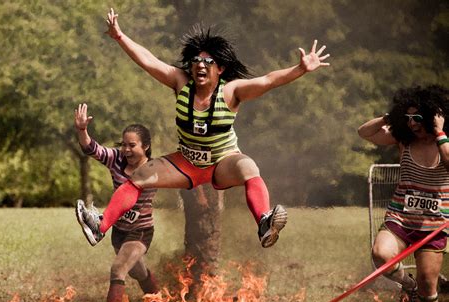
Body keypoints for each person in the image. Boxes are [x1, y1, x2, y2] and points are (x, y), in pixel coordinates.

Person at [76, 7, 330, 249]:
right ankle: (100, 225)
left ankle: (264, 223)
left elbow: (268, 80)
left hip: (222, 162)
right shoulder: (180, 82)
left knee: (249, 167)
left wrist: (300, 69)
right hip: (186, 162)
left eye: (208, 62)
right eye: (196, 60)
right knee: (140, 176)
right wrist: (120, 37)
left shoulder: (232, 91)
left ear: (220, 69)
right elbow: (148, 61)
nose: (200, 65)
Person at [358, 85, 449, 302]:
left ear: (432, 117)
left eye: (417, 117)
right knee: (380, 254)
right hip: (401, 217)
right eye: (407, 118)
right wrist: (390, 116)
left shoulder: (444, 141)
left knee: (430, 284)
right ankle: (410, 286)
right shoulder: (404, 140)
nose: (412, 123)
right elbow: (364, 133)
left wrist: (439, 133)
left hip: (433, 225)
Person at [74, 103, 160, 302]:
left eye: (132, 145)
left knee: (118, 268)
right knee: (139, 272)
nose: (126, 150)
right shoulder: (116, 159)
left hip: (140, 232)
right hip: (119, 231)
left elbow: (183, 180)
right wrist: (82, 129)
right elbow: (91, 148)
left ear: (146, 146)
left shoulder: (157, 168)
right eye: (124, 145)